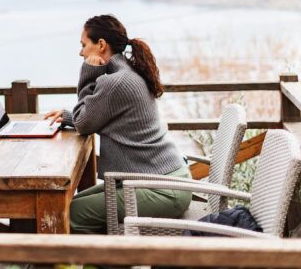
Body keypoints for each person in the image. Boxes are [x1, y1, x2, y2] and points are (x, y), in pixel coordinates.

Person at [44, 14, 191, 234]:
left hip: (163, 190)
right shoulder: (126, 72)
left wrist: (89, 73)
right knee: (61, 204)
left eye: (84, 45)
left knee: (67, 215)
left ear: (101, 45)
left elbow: (85, 123)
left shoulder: (115, 82)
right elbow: (97, 116)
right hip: (164, 180)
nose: (81, 52)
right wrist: (68, 117)